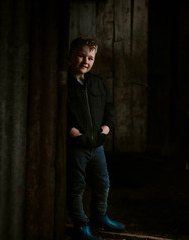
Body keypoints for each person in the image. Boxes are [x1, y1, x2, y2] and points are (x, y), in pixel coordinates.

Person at [66, 37, 125, 240]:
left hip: (96, 145)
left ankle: (99, 217)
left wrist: (107, 128)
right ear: (70, 56)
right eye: (81, 56)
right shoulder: (64, 83)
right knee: (76, 186)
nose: (85, 61)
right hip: (76, 146)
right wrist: (69, 130)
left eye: (90, 58)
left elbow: (109, 108)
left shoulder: (98, 82)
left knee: (103, 183)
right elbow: (54, 111)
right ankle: (81, 225)